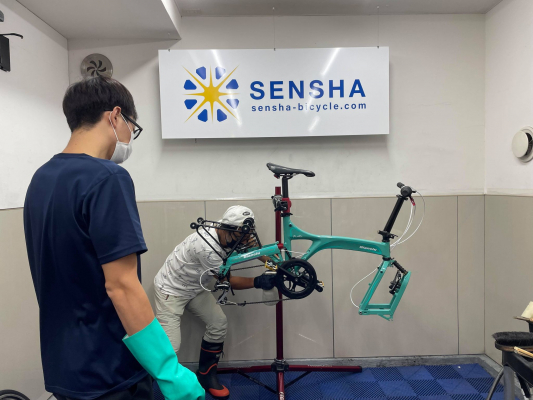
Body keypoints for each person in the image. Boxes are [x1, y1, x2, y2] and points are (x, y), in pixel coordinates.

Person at [23, 77, 204, 400]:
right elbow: (121, 285)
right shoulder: (107, 177)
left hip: (64, 366)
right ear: (115, 116)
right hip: (109, 370)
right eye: (133, 127)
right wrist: (168, 370)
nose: (130, 136)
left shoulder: (42, 178)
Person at [153, 205, 277, 400]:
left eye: (246, 236)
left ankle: (206, 376)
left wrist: (274, 264)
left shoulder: (229, 229)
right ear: (227, 230)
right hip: (171, 290)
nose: (243, 241)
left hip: (195, 287)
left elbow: (251, 249)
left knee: (218, 324)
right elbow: (227, 280)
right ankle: (149, 385)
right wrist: (258, 281)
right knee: (170, 348)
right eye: (241, 237)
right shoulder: (207, 247)